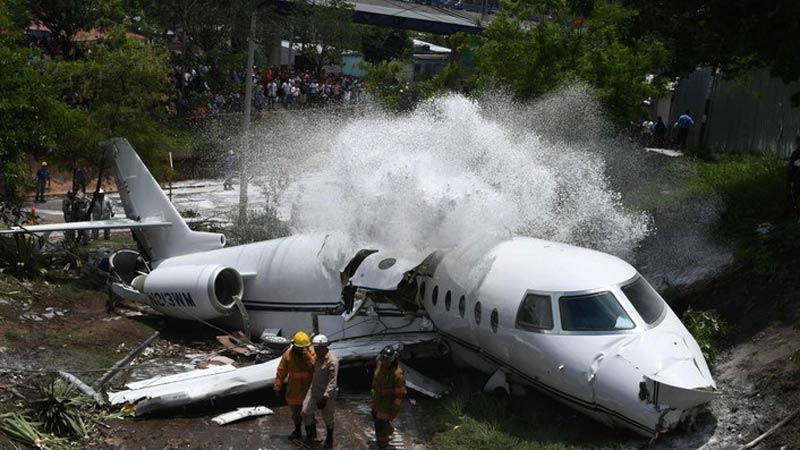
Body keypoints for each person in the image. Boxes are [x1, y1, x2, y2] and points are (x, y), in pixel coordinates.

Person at [275, 331, 316, 441]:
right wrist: (277, 387)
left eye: (305, 347)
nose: (302, 349)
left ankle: (311, 435)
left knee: (309, 413)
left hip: (308, 390)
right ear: (294, 345)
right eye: (300, 348)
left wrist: (307, 357)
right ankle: (297, 432)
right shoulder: (287, 355)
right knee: (296, 414)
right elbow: (281, 371)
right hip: (294, 390)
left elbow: (315, 368)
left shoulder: (312, 354)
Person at [301, 334, 338, 449]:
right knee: (306, 412)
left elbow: (332, 382)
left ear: (325, 347)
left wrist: (325, 397)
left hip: (326, 394)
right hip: (314, 390)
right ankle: (310, 436)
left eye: (318, 349)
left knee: (328, 417)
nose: (316, 351)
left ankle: (330, 439)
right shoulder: (317, 357)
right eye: (315, 348)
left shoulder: (332, 361)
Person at [371, 344, 406, 449]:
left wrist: (394, 409)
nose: (383, 361)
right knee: (376, 418)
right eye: (382, 358)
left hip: (387, 404)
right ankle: (387, 430)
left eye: (386, 359)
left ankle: (382, 444)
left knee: (380, 425)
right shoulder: (380, 365)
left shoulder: (397, 375)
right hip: (377, 400)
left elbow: (400, 395)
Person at [787, 136, 800, 219]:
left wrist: (790, 180)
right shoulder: (796, 153)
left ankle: (796, 215)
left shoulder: (796, 153)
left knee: (796, 197)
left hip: (797, 180)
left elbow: (791, 168)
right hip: (797, 180)